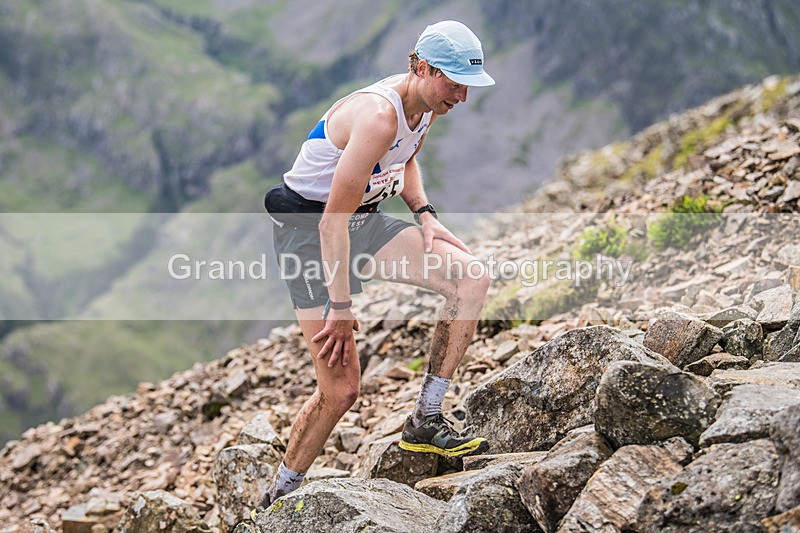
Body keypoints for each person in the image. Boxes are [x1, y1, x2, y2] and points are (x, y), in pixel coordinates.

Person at [260, 20, 495, 507]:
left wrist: (424, 214)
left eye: (467, 86)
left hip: (362, 222)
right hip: (311, 234)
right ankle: (279, 496)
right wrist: (340, 307)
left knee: (471, 278)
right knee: (342, 391)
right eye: (455, 83)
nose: (462, 98)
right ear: (424, 68)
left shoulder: (427, 104)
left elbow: (405, 160)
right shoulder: (377, 116)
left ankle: (425, 420)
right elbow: (330, 224)